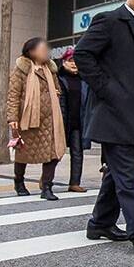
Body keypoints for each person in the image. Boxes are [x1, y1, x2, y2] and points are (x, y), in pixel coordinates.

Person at [73, 0, 134, 257]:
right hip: (114, 116)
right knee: (128, 177)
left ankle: (99, 223)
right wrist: (109, 90)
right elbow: (83, 55)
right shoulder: (110, 20)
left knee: (117, 174)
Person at [6, 37, 66, 201]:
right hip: (28, 119)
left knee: (54, 154)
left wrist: (56, 95)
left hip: (51, 119)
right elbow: (13, 95)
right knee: (23, 154)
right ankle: (19, 182)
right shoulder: (21, 69)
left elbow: (57, 89)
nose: (46, 51)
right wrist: (12, 117)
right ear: (31, 51)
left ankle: (47, 186)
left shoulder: (51, 69)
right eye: (42, 48)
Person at [56, 50, 88, 192]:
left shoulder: (85, 79)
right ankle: (46, 180)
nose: (74, 64)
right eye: (70, 61)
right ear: (64, 62)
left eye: (76, 61)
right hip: (62, 121)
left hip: (78, 122)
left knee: (77, 152)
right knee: (56, 152)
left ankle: (74, 182)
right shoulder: (57, 78)